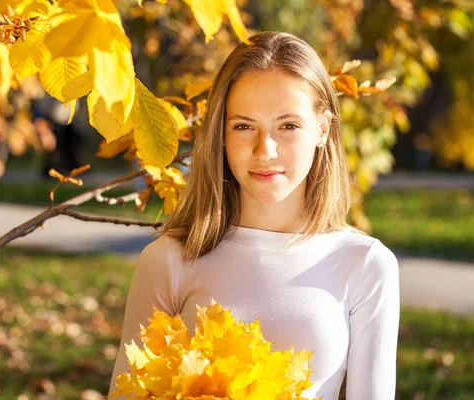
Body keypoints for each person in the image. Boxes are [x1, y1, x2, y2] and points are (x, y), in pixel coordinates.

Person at [108, 31, 400, 400]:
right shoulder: (169, 261)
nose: (266, 150)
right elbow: (128, 393)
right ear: (223, 135)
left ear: (322, 130)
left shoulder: (365, 265)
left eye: (288, 126)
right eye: (244, 126)